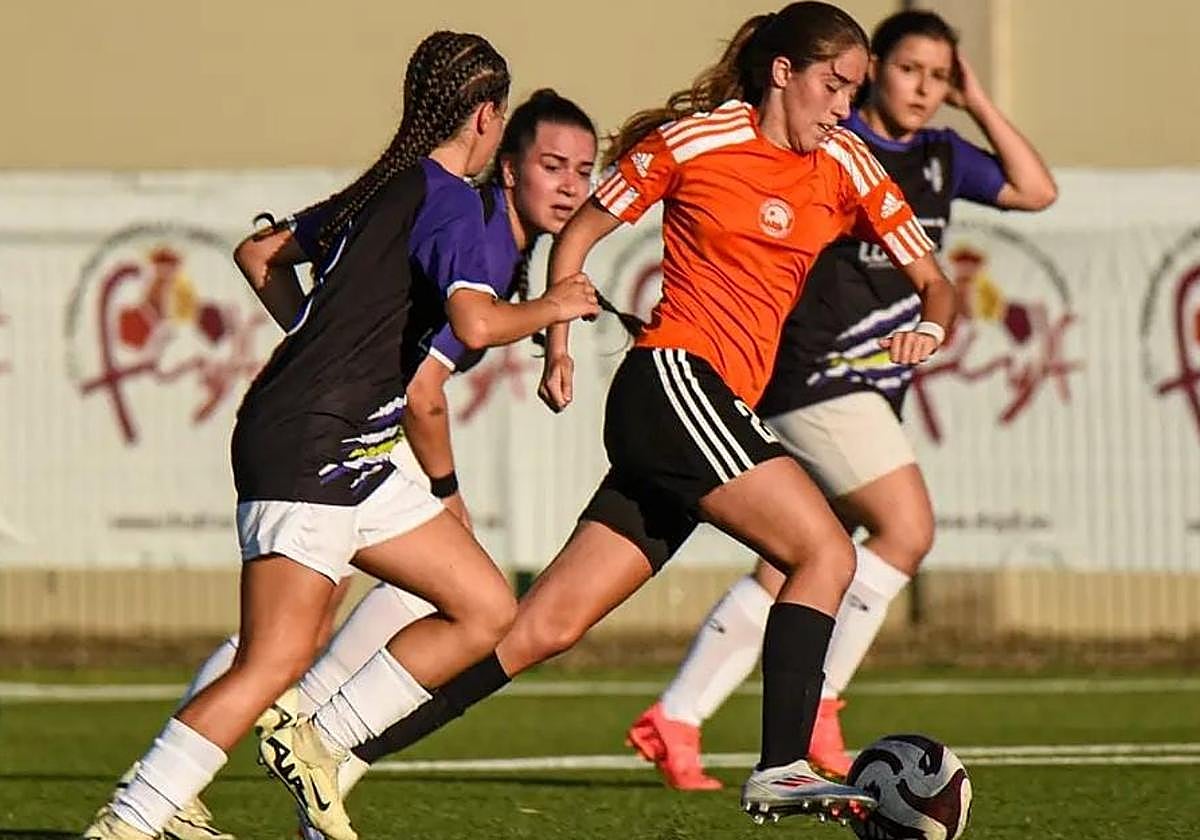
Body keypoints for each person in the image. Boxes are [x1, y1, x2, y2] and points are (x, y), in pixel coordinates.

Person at [268, 2, 958, 830]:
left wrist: (931, 323)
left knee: (541, 630)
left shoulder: (844, 160)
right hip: (672, 382)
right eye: (834, 85)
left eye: (853, 90)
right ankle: (782, 764)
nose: (845, 106)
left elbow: (934, 278)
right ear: (784, 72)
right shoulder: (696, 142)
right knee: (823, 553)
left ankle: (331, 752)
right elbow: (577, 238)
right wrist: (560, 342)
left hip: (705, 408)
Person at [82, 32, 600, 840]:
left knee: (485, 604)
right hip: (315, 441)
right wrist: (556, 308)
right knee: (274, 659)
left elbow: (259, 255)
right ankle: (134, 819)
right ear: (488, 117)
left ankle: (320, 741)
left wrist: (320, 341)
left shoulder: (385, 187)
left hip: (347, 442)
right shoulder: (455, 200)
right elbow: (474, 320)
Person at [625, 8, 1058, 790]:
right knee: (905, 526)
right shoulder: (829, 143)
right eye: (907, 70)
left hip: (866, 388)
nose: (923, 88)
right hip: (818, 376)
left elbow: (1036, 190)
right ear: (865, 75)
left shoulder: (938, 156)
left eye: (939, 76)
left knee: (796, 562)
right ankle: (818, 701)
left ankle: (678, 713)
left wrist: (977, 99)